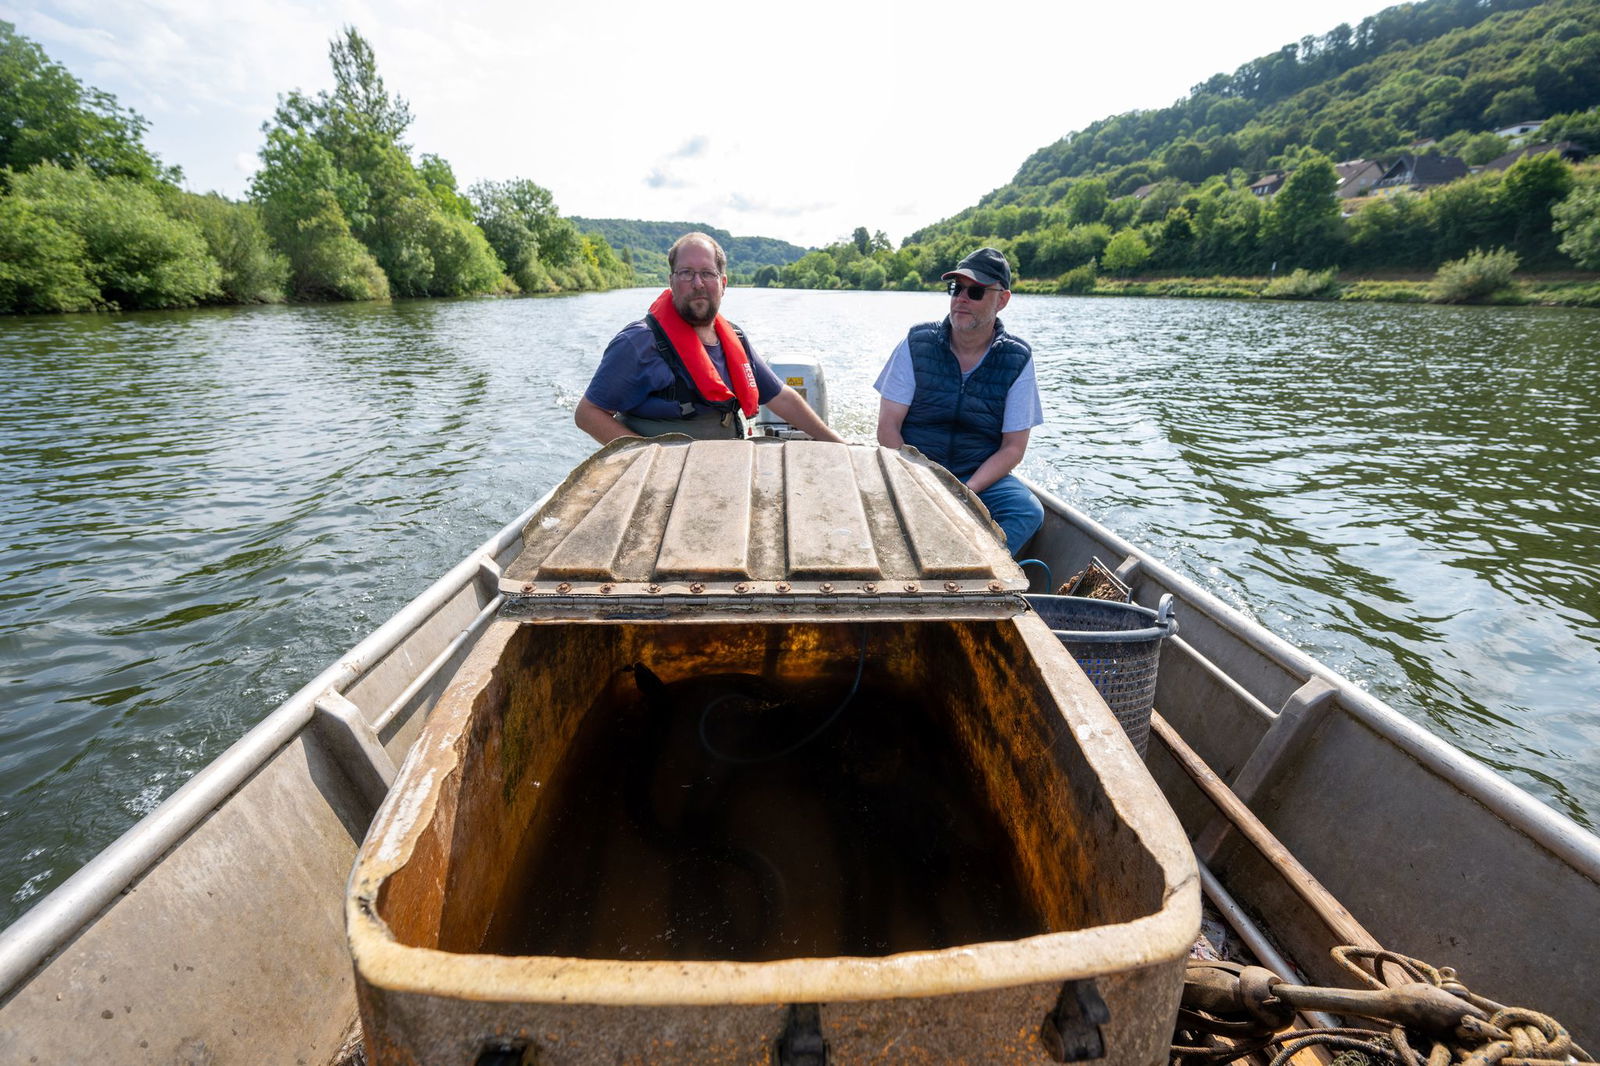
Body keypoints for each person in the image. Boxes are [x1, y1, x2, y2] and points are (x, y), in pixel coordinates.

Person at [575, 232, 843, 444]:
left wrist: (839, 445)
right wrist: (647, 457)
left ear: (723, 284)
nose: (698, 283)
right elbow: (587, 414)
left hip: (722, 469)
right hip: (658, 480)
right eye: (686, 273)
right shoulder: (637, 343)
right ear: (671, 281)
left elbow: (780, 397)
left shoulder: (735, 338)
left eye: (707, 273)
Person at [874, 247, 1044, 556]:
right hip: (913, 468)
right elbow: (888, 427)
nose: (961, 298)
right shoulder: (916, 343)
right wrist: (919, 477)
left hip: (975, 476)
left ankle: (979, 572)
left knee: (1027, 511)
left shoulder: (1017, 359)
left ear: (1002, 300)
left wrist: (966, 493)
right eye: (956, 288)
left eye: (976, 291)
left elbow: (1013, 448)